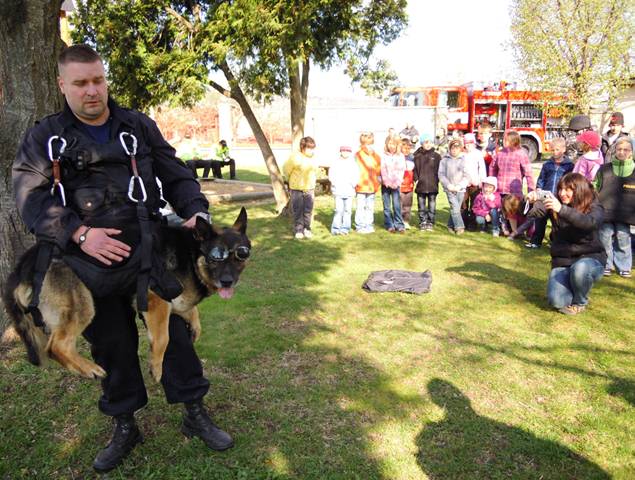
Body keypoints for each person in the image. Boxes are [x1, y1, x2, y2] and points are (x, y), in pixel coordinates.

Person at [12, 45, 232, 473]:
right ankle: (125, 423)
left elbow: (174, 172)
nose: (92, 91)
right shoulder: (46, 137)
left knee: (177, 337)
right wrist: (78, 232)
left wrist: (196, 210)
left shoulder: (136, 126)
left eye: (98, 80)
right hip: (86, 258)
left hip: (149, 249)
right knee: (112, 343)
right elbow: (29, 197)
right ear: (62, 85)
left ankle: (194, 412)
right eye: (80, 83)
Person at [526, 172, 606, 315]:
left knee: (580, 269)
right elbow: (533, 213)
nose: (562, 193)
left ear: (579, 190)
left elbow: (589, 223)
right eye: (560, 189)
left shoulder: (595, 207)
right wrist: (530, 201)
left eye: (568, 190)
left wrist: (561, 210)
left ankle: (580, 301)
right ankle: (574, 284)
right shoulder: (556, 203)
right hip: (564, 260)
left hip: (590, 259)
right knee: (556, 301)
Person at [594, 137, 634, 278]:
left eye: (626, 150)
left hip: (626, 214)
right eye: (619, 149)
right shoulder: (604, 169)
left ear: (631, 152)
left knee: (624, 238)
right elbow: (596, 187)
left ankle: (624, 266)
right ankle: (606, 264)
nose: (622, 152)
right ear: (615, 151)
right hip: (605, 211)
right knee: (604, 237)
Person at [525, 137, 574, 248]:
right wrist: (538, 190)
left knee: (557, 222)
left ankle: (556, 242)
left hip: (559, 198)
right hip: (545, 197)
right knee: (540, 219)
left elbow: (571, 182)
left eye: (557, 150)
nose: (554, 152)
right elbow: (541, 179)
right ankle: (535, 242)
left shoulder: (569, 166)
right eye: (552, 150)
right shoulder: (547, 164)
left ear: (564, 149)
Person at [489, 130, 535, 233]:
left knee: (514, 211)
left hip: (514, 190)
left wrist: (531, 189)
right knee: (501, 209)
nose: (504, 142)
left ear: (514, 141)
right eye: (504, 139)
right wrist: (492, 181)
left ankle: (516, 231)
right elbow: (492, 167)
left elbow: (528, 173)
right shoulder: (500, 154)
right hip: (501, 188)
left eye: (506, 140)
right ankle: (503, 228)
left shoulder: (521, 154)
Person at [283, 136, 318, 239]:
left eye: (312, 148)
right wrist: (291, 181)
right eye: (309, 148)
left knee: (308, 210)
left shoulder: (314, 158)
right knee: (298, 210)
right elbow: (286, 170)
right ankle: (299, 230)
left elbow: (315, 171)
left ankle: (307, 228)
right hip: (296, 188)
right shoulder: (295, 157)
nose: (311, 150)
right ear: (303, 147)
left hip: (309, 188)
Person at [439, 138, 469, 234]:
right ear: (450, 149)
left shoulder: (464, 160)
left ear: (460, 149)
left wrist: (460, 186)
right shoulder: (444, 160)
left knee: (455, 208)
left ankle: (450, 225)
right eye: (452, 148)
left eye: (457, 148)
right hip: (449, 188)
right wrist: (448, 185)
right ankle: (459, 227)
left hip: (460, 189)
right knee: (455, 207)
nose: (454, 150)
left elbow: (467, 175)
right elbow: (441, 174)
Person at [328, 145, 360, 235]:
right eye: (343, 151)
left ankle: (345, 228)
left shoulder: (353, 163)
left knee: (348, 211)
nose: (345, 152)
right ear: (340, 152)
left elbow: (356, 176)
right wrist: (335, 184)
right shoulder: (335, 163)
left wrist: (353, 184)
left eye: (347, 151)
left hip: (349, 191)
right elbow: (331, 175)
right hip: (338, 191)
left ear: (350, 153)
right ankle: (335, 228)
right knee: (338, 210)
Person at [354, 132, 382, 234]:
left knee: (370, 207)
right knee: (360, 207)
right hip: (361, 186)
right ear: (362, 143)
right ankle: (360, 226)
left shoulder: (377, 157)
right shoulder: (357, 155)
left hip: (372, 186)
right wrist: (355, 182)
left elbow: (379, 172)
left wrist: (378, 182)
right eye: (365, 144)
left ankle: (368, 224)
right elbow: (354, 170)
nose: (368, 146)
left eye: (370, 143)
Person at [413, 133, 442, 231]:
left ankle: (430, 222)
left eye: (430, 142)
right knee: (421, 206)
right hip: (421, 185)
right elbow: (415, 170)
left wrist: (436, 180)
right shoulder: (417, 156)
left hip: (432, 186)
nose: (428, 144)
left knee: (432, 206)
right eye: (425, 142)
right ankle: (423, 222)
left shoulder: (437, 156)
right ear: (421, 144)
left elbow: (439, 170)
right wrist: (416, 179)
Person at [380, 135, 406, 233]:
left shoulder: (400, 156)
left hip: (396, 185)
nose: (392, 146)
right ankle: (389, 224)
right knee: (387, 206)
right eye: (390, 143)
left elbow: (402, 170)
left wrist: (397, 182)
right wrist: (386, 181)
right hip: (385, 184)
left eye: (394, 144)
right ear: (387, 144)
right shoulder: (383, 155)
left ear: (397, 145)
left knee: (396, 205)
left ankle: (399, 224)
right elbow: (382, 169)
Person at [461, 133, 487, 230]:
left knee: (474, 204)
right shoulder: (462, 154)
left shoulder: (478, 154)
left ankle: (472, 223)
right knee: (463, 204)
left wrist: (482, 181)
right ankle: (462, 222)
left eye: (470, 143)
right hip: (463, 183)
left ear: (474, 144)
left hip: (475, 183)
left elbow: (482, 168)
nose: (468, 146)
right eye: (466, 144)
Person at [400, 139, 416, 229]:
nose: (406, 150)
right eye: (404, 148)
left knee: (408, 204)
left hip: (409, 185)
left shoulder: (412, 158)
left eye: (408, 148)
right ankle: (398, 220)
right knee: (399, 204)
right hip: (400, 185)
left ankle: (406, 221)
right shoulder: (398, 157)